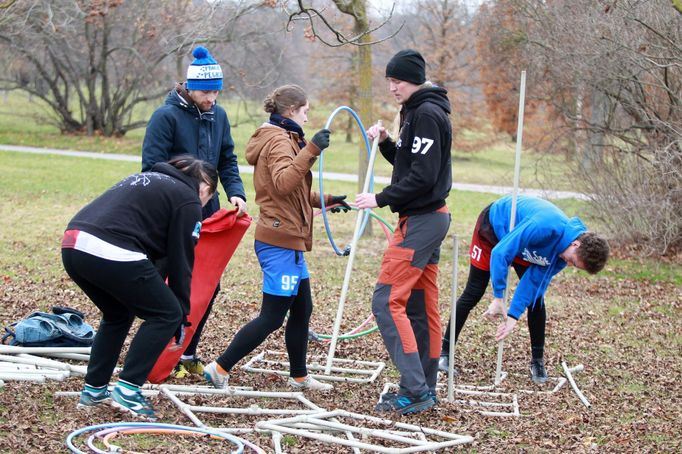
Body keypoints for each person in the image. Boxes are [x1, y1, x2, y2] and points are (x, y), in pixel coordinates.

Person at [203, 84, 349, 392]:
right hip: (278, 240)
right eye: (306, 111)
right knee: (272, 317)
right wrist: (312, 150)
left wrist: (327, 199)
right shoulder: (278, 141)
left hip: (290, 239)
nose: (308, 118)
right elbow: (283, 183)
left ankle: (299, 375)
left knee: (302, 308)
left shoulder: (286, 137)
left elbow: (294, 190)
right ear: (292, 111)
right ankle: (219, 368)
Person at [62, 156, 218, 420]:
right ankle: (128, 389)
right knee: (166, 313)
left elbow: (157, 257)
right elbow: (182, 260)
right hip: (110, 247)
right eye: (208, 200)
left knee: (118, 314)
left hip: (73, 244)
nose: (203, 206)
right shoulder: (188, 198)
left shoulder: (148, 180)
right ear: (205, 189)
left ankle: (94, 390)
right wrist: (180, 313)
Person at [355, 49, 452, 415]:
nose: (392, 87)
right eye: (389, 81)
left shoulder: (426, 112)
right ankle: (424, 384)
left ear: (414, 78)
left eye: (397, 81)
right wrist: (385, 143)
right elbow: (409, 163)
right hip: (429, 217)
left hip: (423, 221)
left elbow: (423, 177)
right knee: (418, 306)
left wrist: (380, 198)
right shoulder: (416, 109)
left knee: (385, 301)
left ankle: (414, 390)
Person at [142, 46, 247, 378]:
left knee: (206, 283)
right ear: (188, 86)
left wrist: (236, 193)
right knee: (165, 280)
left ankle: (187, 351)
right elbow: (151, 166)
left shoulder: (219, 116)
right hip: (171, 214)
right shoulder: (166, 117)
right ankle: (152, 351)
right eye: (205, 91)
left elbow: (227, 159)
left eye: (216, 91)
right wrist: (184, 194)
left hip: (209, 212)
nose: (211, 98)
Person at [438, 195, 610, 383]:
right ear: (575, 244)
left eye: (575, 265)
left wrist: (512, 316)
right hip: (495, 228)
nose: (569, 264)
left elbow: (534, 283)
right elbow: (500, 252)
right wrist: (498, 297)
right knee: (473, 292)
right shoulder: (544, 225)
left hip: (525, 246)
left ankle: (537, 362)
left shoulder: (562, 255)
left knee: (536, 300)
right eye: (573, 261)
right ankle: (445, 353)